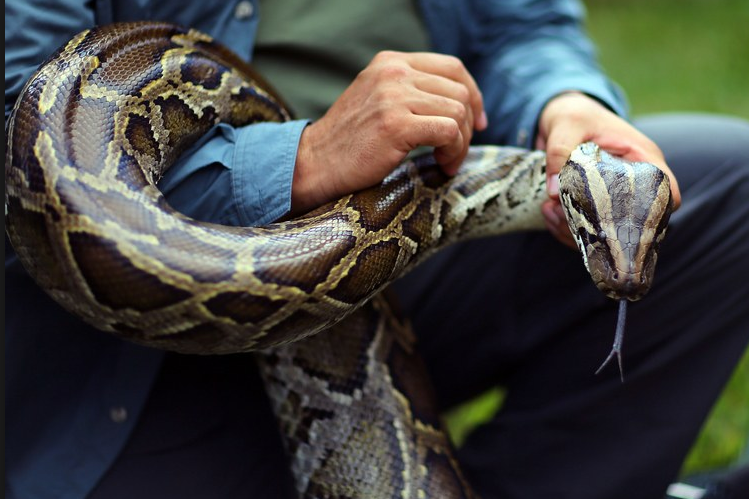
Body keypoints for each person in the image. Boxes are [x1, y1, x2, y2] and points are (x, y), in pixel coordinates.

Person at [5, 1, 748, 498]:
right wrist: (307, 156)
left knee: (730, 182)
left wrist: (564, 100)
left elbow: (522, 30)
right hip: (119, 350)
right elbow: (20, 121)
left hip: (399, 223)